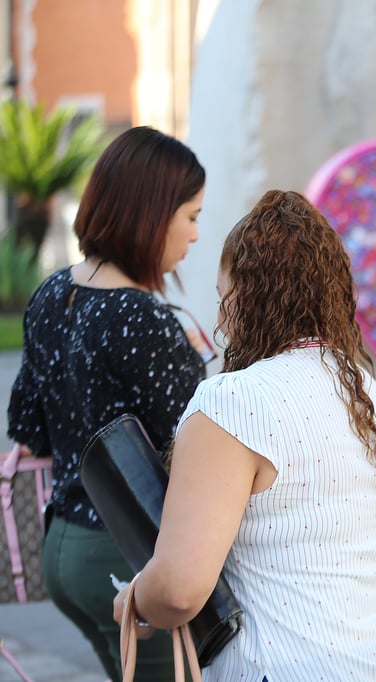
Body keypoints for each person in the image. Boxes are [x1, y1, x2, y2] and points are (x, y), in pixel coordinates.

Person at [111, 189, 376, 682]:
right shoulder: (375, 401)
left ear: (250, 299)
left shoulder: (230, 403)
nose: (220, 319)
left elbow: (178, 590)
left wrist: (137, 598)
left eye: (224, 299)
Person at [6, 126, 208, 680]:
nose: (194, 235)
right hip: (131, 556)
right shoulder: (143, 317)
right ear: (151, 213)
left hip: (64, 550)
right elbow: (200, 452)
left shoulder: (51, 291)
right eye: (190, 215)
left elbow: (27, 424)